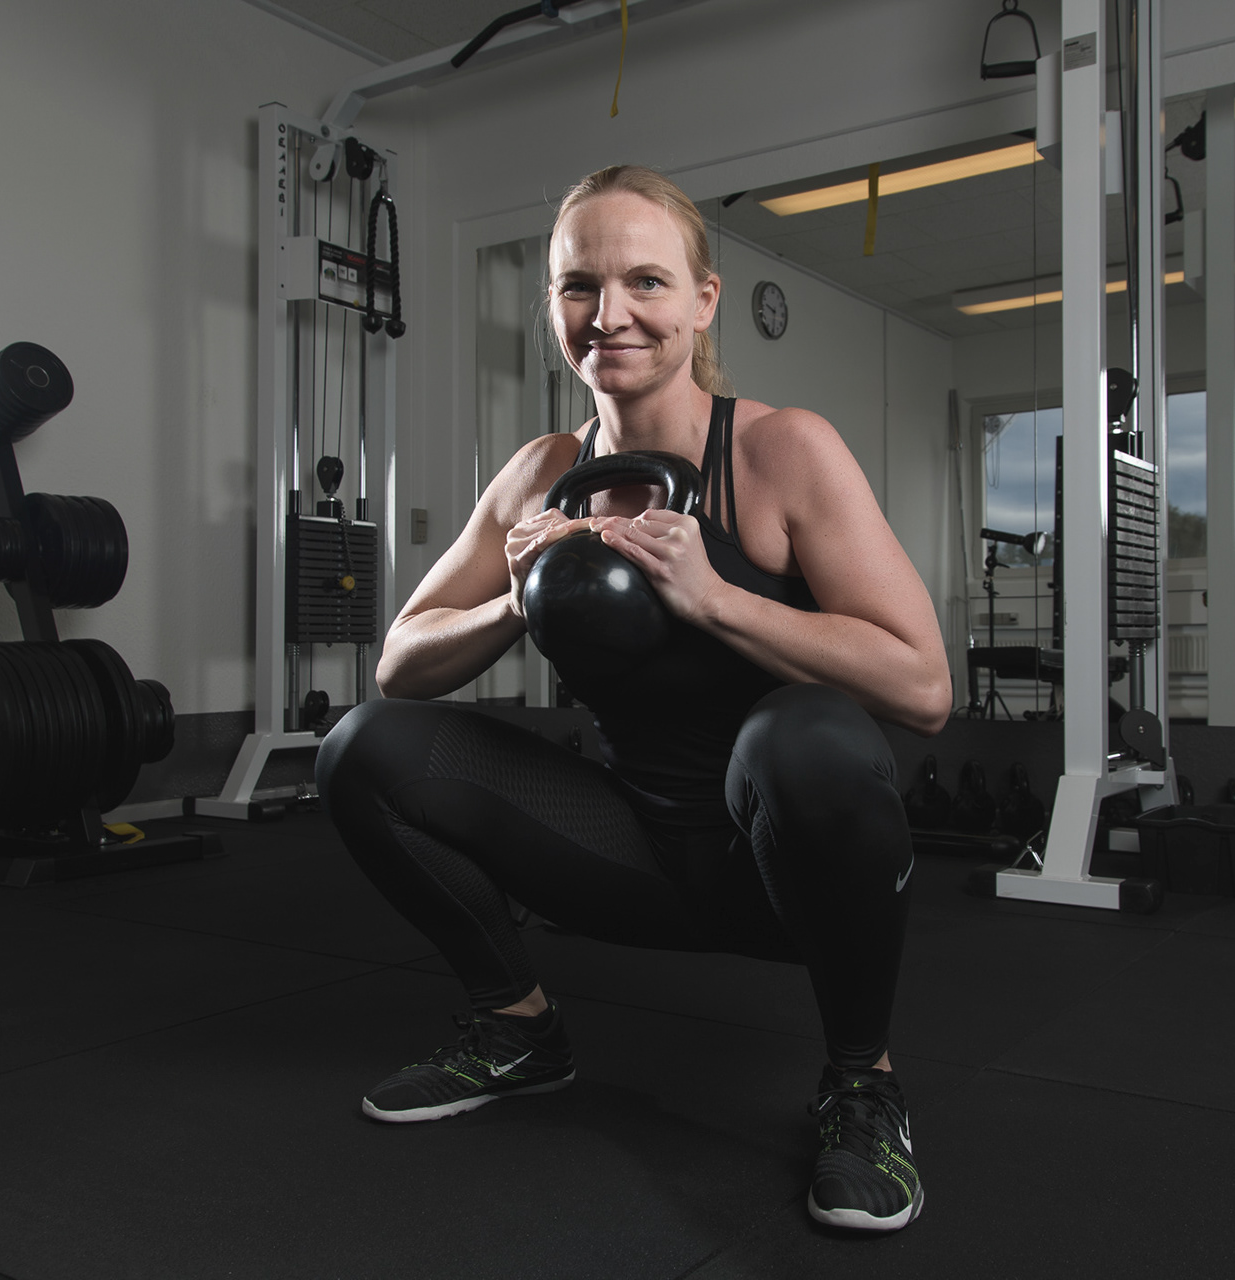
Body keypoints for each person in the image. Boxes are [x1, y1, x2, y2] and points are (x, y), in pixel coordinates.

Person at [314, 165, 951, 1233]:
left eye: (645, 282)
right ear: (554, 305)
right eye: (579, 286)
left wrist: (713, 597)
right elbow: (402, 658)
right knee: (361, 748)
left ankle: (862, 1081)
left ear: (702, 301)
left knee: (806, 737)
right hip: (620, 847)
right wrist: (517, 599)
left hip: (787, 868)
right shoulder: (542, 471)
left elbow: (924, 685)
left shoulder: (780, 450)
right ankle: (518, 1027)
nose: (610, 316)